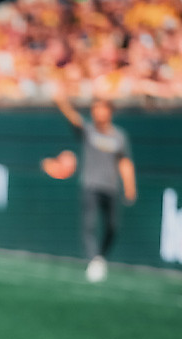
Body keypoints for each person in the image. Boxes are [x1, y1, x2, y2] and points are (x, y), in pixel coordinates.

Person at [52, 89, 137, 283]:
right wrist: (62, 103)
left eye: (101, 109)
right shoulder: (89, 131)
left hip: (111, 187)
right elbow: (74, 119)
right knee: (89, 224)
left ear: (109, 112)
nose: (97, 113)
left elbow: (125, 163)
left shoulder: (119, 137)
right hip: (90, 185)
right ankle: (94, 260)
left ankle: (100, 257)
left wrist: (130, 186)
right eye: (94, 109)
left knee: (112, 226)